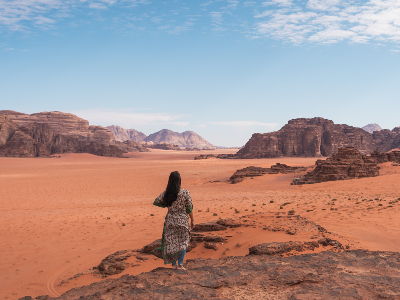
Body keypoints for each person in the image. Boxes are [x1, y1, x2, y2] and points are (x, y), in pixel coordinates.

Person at [150, 171, 194, 270]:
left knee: (171, 242)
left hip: (170, 220)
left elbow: (156, 201)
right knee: (184, 242)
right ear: (179, 181)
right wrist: (192, 220)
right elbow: (189, 208)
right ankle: (180, 264)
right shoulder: (185, 193)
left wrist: (167, 204)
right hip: (182, 220)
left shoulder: (167, 193)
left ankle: (174, 265)